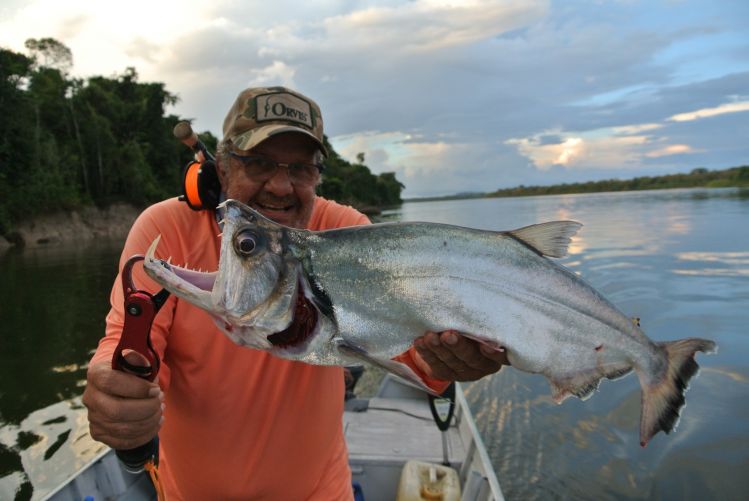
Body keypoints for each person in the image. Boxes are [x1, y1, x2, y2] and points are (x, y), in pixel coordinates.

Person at [83, 86, 508, 500]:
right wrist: (117, 395)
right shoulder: (166, 229)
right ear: (224, 167)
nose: (281, 186)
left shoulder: (344, 232)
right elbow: (129, 342)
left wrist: (448, 363)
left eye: (301, 168)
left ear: (317, 176)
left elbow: (402, 346)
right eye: (260, 164)